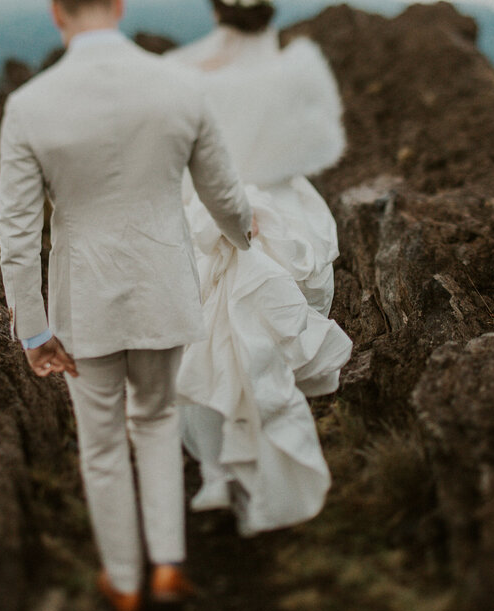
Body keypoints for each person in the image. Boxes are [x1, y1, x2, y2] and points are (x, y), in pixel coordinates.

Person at [0, 0, 257, 611]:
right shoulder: (180, 86)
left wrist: (32, 329)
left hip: (82, 302)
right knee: (159, 419)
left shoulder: (29, 106)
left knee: (102, 442)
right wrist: (246, 236)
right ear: (118, 6)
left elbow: (17, 234)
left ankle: (124, 580)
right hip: (162, 285)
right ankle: (168, 563)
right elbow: (222, 192)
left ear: (56, 14)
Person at [167, 0, 354, 535]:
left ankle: (215, 469)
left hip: (205, 205)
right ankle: (254, 461)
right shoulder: (297, 69)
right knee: (259, 337)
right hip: (278, 211)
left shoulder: (186, 73)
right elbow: (322, 147)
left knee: (206, 333)